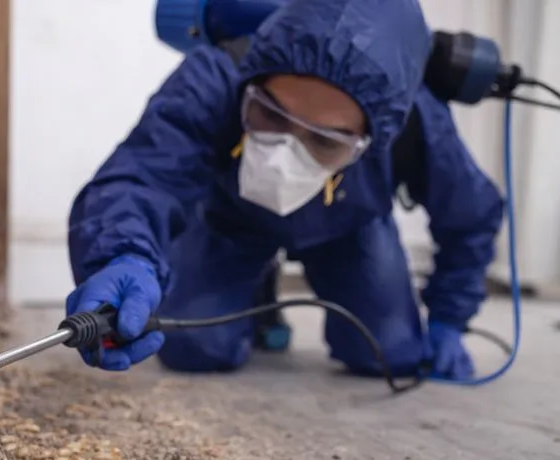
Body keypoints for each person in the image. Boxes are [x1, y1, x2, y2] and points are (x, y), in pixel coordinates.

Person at [65, 0, 504, 380]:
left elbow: (473, 214)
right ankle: (255, 291)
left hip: (348, 227)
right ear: (251, 85)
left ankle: (274, 285)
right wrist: (123, 254)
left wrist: (449, 318)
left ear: (371, 140)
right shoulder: (218, 75)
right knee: (193, 348)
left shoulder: (415, 118)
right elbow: (141, 174)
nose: (282, 156)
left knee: (390, 355)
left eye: (325, 140)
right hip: (233, 222)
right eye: (269, 115)